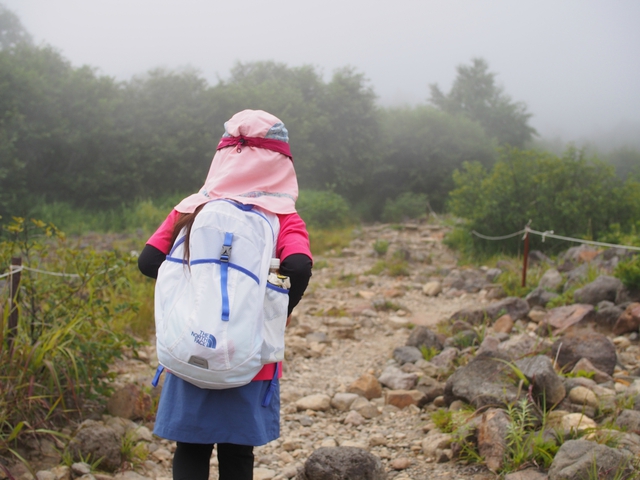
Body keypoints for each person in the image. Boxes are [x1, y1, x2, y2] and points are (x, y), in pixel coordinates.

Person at [137, 109, 313, 480]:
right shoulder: (282, 215)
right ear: (280, 161)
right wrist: (279, 310)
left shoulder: (191, 207)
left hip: (190, 344)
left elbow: (149, 261)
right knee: (237, 452)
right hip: (251, 354)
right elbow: (298, 266)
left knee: (190, 448)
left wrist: (193, 293)